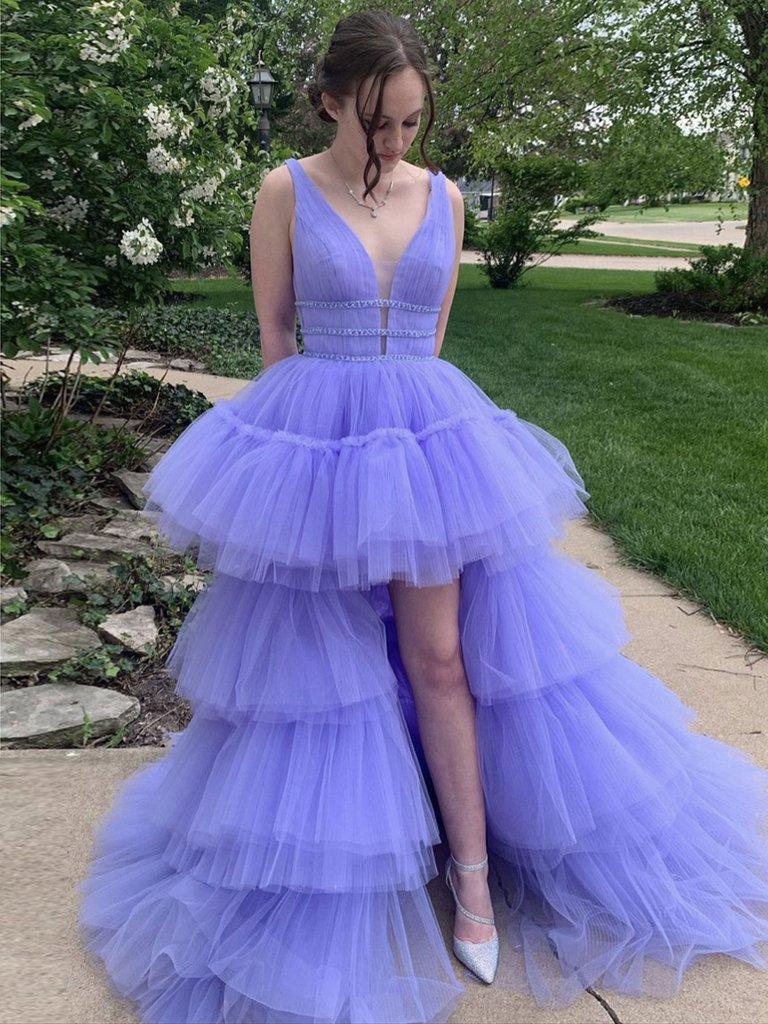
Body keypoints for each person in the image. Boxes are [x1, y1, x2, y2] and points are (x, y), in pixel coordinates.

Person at [78, 10, 768, 1023]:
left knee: (441, 658)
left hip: (427, 443)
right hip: (316, 439)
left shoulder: (442, 194)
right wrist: (298, 485)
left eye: (410, 121)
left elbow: (432, 335)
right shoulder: (283, 189)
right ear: (328, 103)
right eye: (377, 123)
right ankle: (350, 855)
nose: (395, 142)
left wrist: (402, 449)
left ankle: (474, 875)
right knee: (327, 668)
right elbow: (275, 337)